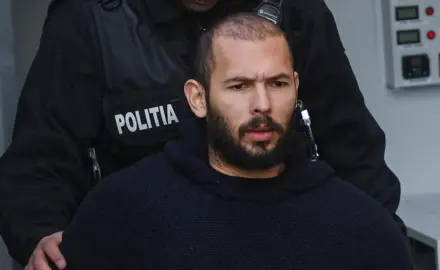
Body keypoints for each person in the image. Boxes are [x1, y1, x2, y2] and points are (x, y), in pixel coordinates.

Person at [0, 0, 404, 268]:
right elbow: (40, 157)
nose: (260, 102)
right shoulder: (90, 21)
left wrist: (374, 238)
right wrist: (41, 234)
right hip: (148, 247)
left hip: (287, 236)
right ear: (196, 96)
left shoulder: (294, 11)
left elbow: (353, 146)